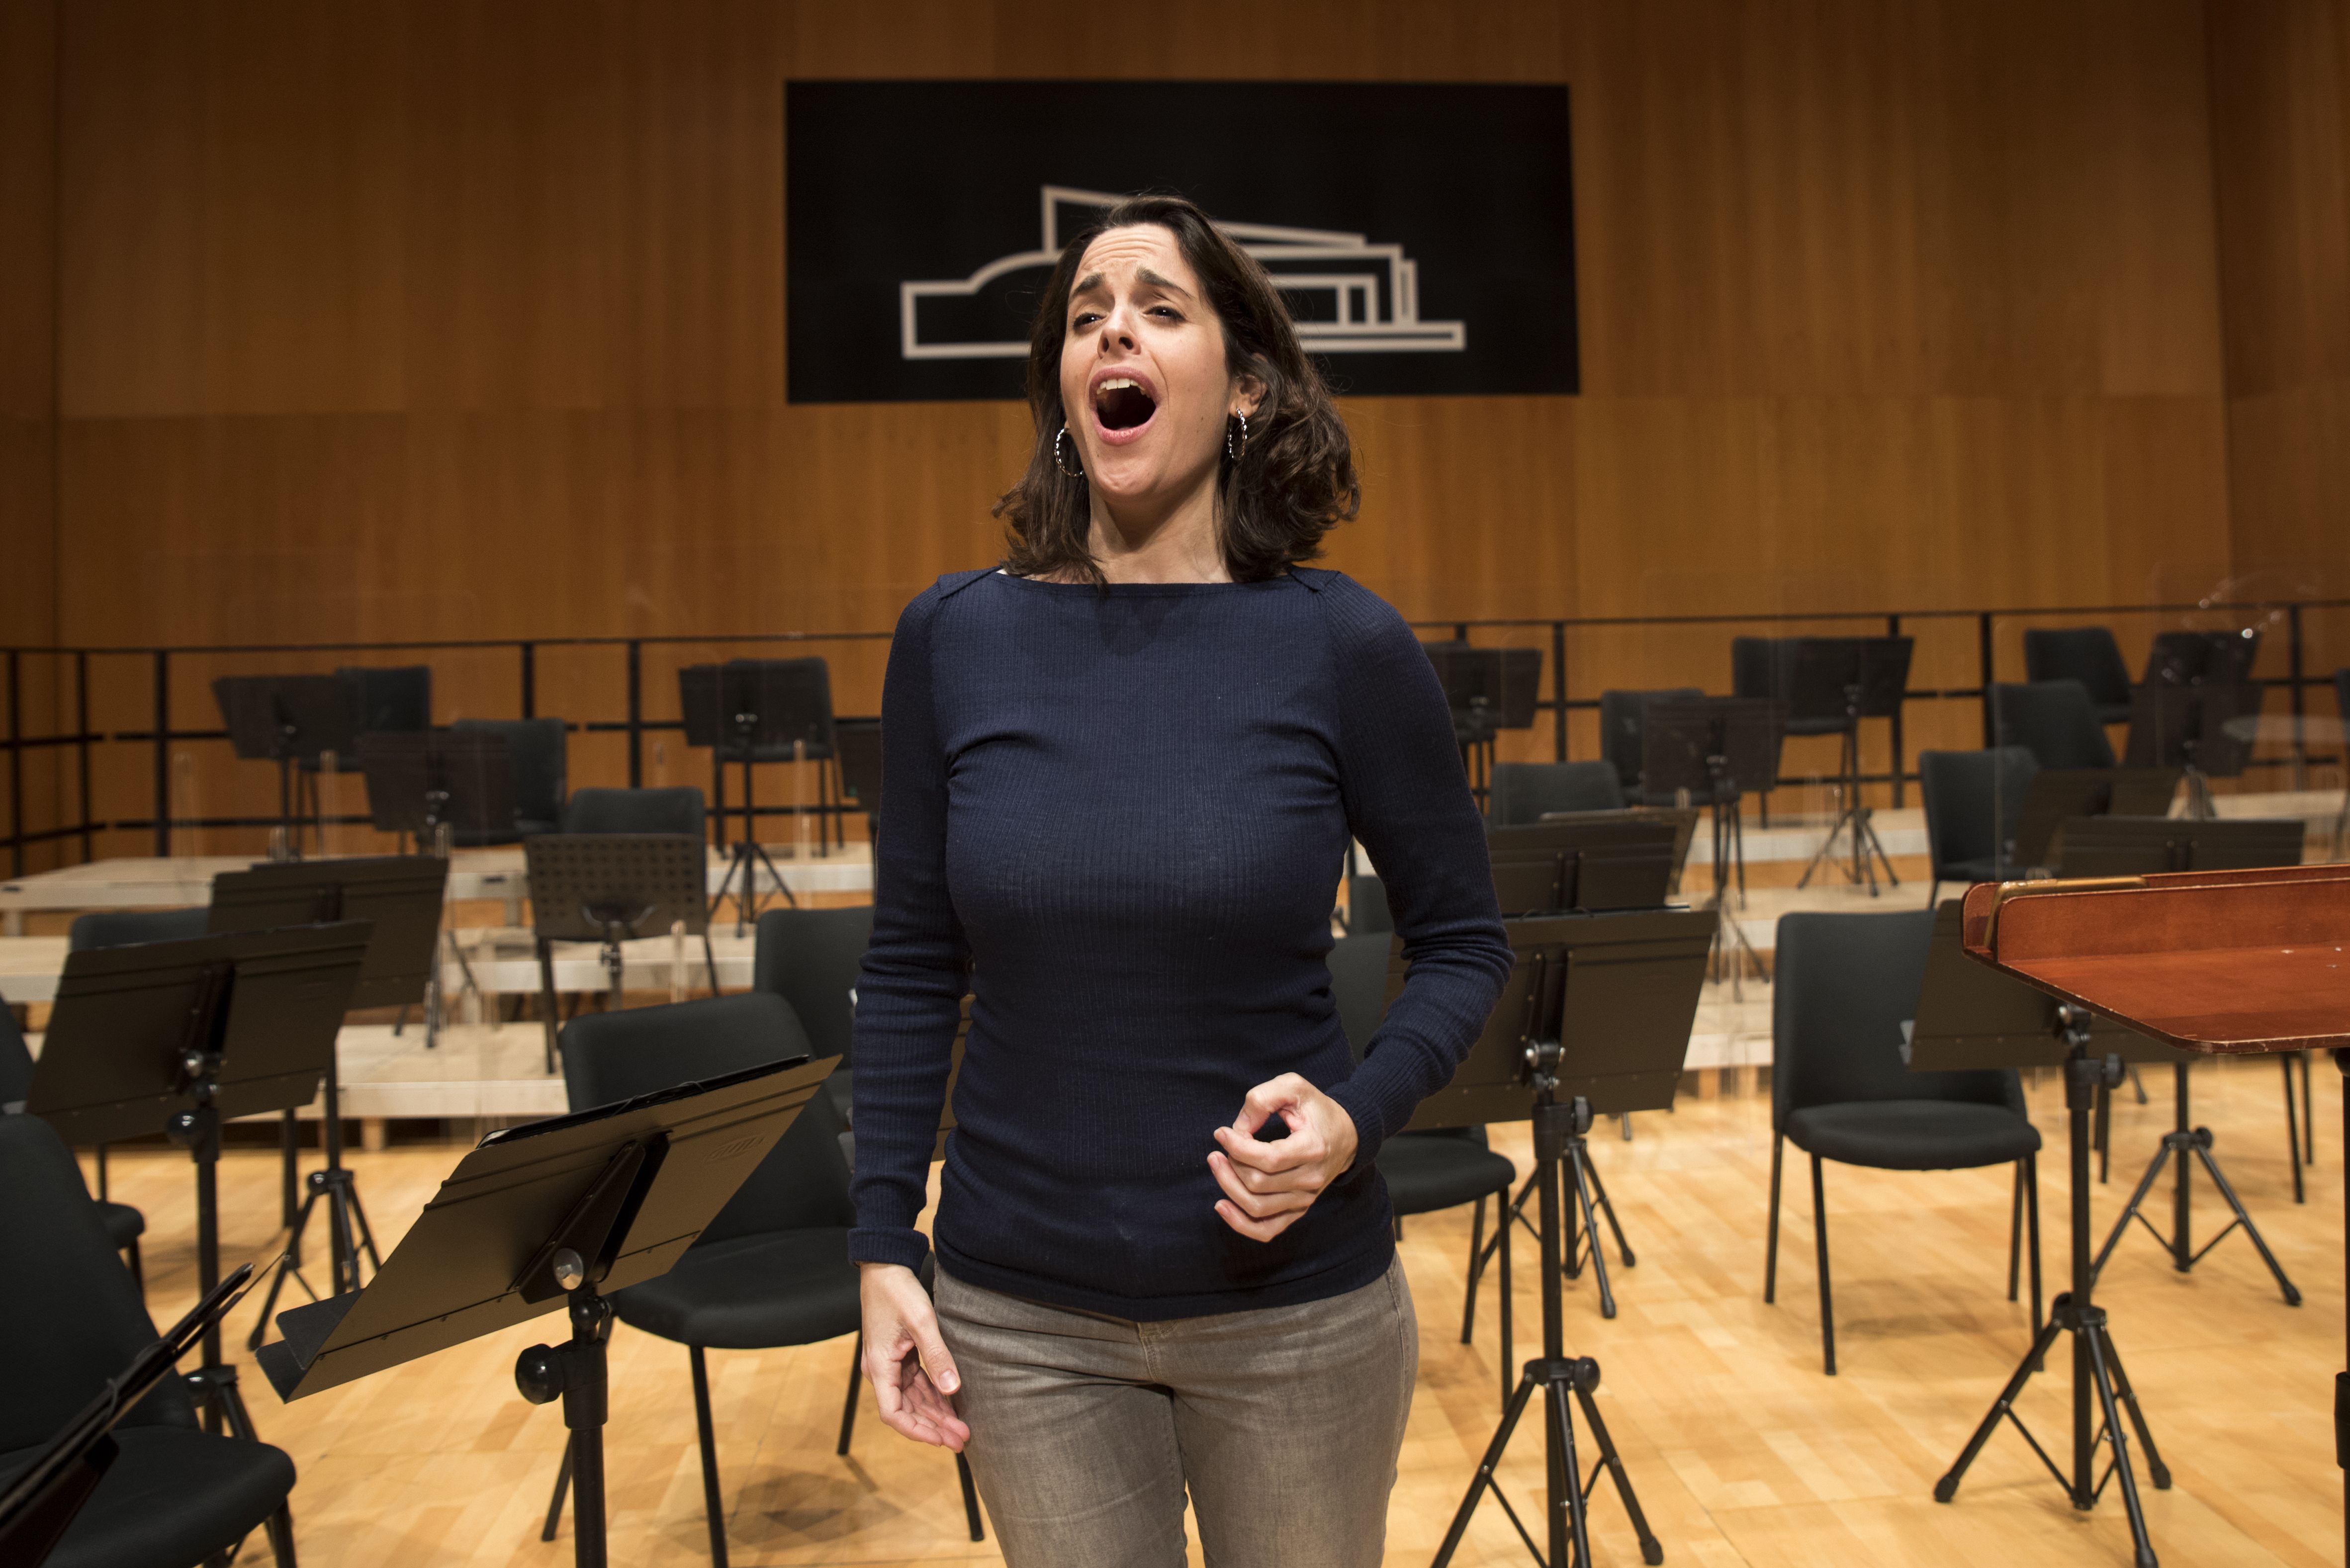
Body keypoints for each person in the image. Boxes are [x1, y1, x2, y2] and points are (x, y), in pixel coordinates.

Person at [848, 192, 1512, 1568]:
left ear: (1249, 386)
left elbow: (1463, 944)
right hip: (1020, 1323)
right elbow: (912, 962)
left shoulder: (1344, 644)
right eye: (1086, 315)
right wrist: (880, 1244)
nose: (1112, 334)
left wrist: (1354, 1118)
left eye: (1157, 305)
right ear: (1064, 389)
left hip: (1296, 1314)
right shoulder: (954, 639)